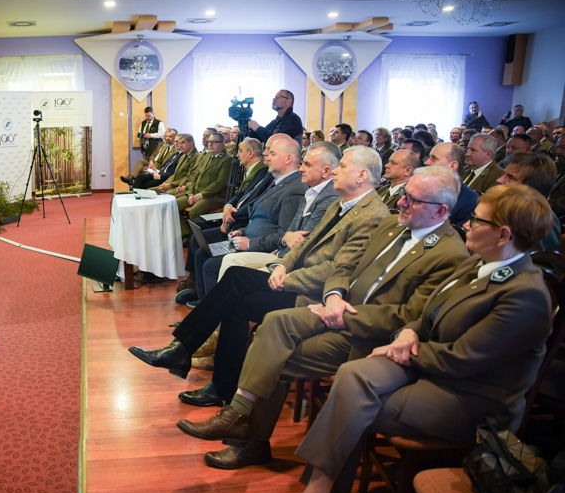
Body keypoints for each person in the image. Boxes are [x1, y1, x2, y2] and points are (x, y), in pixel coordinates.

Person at [254, 184, 552, 493]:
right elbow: (424, 313)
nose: (467, 224)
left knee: (352, 403)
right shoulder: (479, 264)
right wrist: (409, 332)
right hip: (428, 367)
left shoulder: (525, 294)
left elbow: (464, 361)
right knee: (352, 374)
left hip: (472, 399)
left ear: (503, 234)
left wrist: (405, 348)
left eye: (476, 220)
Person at [178, 168, 467, 469]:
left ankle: (245, 438)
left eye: (412, 199)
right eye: (403, 195)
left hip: (367, 336)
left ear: (441, 211)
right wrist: (334, 297)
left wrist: (343, 314)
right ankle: (237, 420)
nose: (402, 202)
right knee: (272, 324)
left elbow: (410, 317)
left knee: (268, 351)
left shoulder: (450, 254)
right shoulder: (393, 226)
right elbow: (345, 267)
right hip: (334, 307)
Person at [127, 146, 390, 403]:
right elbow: (305, 245)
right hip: (296, 278)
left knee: (236, 282)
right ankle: (213, 380)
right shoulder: (342, 205)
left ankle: (185, 352)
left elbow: (340, 268)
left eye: (342, 166)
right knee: (235, 296)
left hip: (315, 295)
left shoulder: (371, 214)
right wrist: (283, 266)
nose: (336, 171)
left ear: (362, 175)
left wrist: (288, 277)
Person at [178, 138, 307, 306]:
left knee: (211, 265)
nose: (266, 155)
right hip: (245, 237)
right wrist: (243, 231)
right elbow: (258, 214)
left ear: (289, 158)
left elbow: (285, 234)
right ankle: (203, 301)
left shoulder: (294, 189)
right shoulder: (278, 181)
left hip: (261, 247)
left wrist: (250, 242)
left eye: (272, 153)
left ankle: (212, 316)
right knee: (203, 252)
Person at [425, 142, 478, 226]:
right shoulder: (422, 190)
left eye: (434, 159)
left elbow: (458, 237)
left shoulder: (469, 201)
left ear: (452, 166)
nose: (426, 162)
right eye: (428, 157)